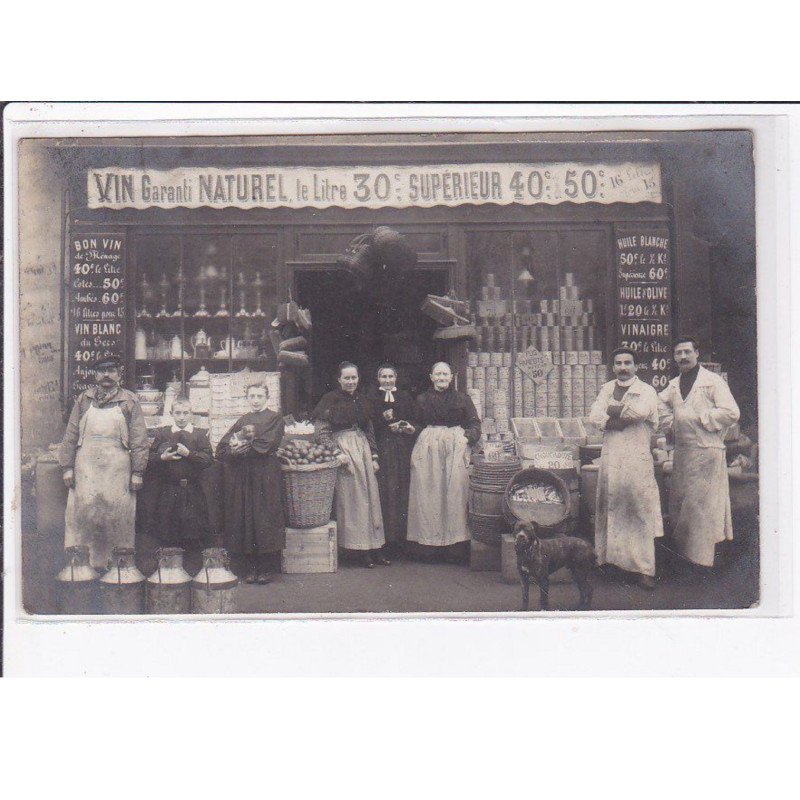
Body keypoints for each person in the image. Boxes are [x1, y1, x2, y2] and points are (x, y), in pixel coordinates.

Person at [58, 355, 149, 569]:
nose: (106, 375)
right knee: (84, 513)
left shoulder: (129, 401)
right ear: (96, 375)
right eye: (101, 371)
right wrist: (67, 468)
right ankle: (83, 565)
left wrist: (137, 472)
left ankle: (118, 565)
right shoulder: (84, 399)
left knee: (117, 515)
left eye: (111, 370)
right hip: (86, 468)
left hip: (117, 470)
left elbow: (139, 439)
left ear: (119, 374)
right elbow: (71, 434)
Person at [658, 337, 740, 569]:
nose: (683, 357)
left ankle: (702, 562)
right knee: (682, 504)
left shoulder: (711, 381)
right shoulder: (674, 384)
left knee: (702, 507)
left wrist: (702, 418)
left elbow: (731, 412)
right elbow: (660, 403)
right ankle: (687, 557)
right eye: (678, 353)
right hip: (684, 454)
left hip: (707, 451)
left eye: (687, 352)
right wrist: (670, 422)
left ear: (696, 353)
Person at [588, 347, 664, 589]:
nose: (623, 367)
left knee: (638, 511)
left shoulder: (647, 390)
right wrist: (613, 417)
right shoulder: (607, 388)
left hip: (635, 458)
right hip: (611, 457)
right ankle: (610, 562)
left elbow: (640, 413)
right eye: (618, 363)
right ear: (613, 367)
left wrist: (610, 415)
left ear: (635, 366)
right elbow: (593, 416)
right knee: (612, 508)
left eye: (627, 363)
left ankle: (644, 569)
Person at [312, 362, 387, 568]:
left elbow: (369, 429)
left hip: (362, 449)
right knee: (354, 501)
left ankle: (376, 547)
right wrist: (337, 452)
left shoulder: (362, 400)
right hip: (345, 451)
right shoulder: (330, 400)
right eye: (347, 378)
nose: (351, 382)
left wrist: (374, 456)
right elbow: (321, 432)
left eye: (354, 378)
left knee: (371, 498)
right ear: (339, 379)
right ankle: (359, 550)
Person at [406, 361, 481, 563]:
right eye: (437, 374)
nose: (441, 378)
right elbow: (416, 423)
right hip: (429, 448)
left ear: (452, 376)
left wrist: (467, 437)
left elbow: (474, 423)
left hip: (455, 447)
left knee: (455, 492)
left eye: (445, 374)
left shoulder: (462, 399)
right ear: (431, 377)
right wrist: (411, 428)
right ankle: (429, 546)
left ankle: (455, 546)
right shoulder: (421, 399)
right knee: (429, 492)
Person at [217, 381, 285, 584]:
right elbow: (223, 446)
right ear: (247, 398)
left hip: (266, 474)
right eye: (252, 396)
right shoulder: (244, 419)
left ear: (266, 398)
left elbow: (268, 443)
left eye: (259, 396)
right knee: (247, 518)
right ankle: (250, 568)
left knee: (265, 518)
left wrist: (241, 442)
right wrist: (234, 446)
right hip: (245, 475)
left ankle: (266, 568)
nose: (255, 400)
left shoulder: (275, 418)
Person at [147, 396, 214, 572]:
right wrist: (162, 457)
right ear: (171, 414)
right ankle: (170, 573)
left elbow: (208, 460)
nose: (182, 417)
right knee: (168, 532)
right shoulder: (163, 433)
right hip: (169, 491)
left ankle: (192, 572)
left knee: (193, 533)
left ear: (192, 414)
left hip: (193, 492)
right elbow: (149, 458)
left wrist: (189, 454)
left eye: (186, 413)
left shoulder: (199, 434)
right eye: (178, 413)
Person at [367, 364, 417, 557]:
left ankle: (402, 541)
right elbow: (369, 423)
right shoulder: (372, 398)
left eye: (390, 376)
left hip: (403, 448)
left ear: (396, 377)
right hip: (383, 447)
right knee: (385, 491)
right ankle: (386, 540)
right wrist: (384, 421)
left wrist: (404, 424)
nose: (387, 380)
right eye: (383, 377)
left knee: (403, 490)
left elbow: (415, 419)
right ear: (378, 379)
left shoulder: (405, 397)